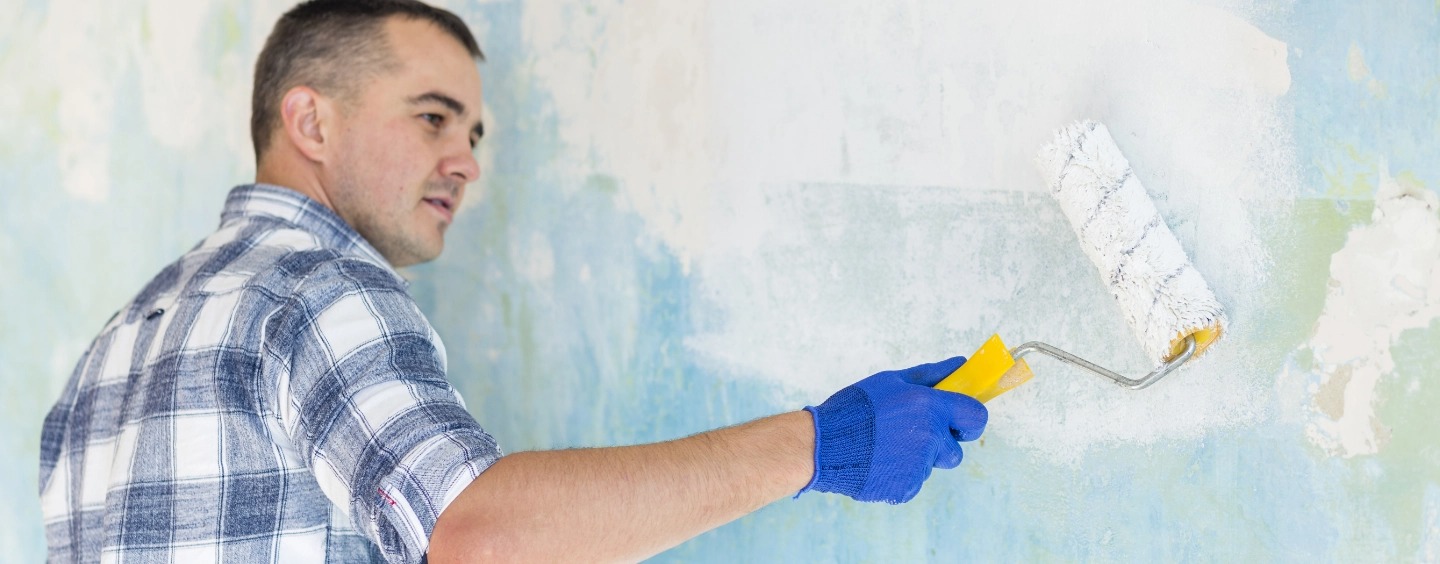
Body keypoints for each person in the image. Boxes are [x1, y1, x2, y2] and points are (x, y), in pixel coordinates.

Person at [37, 1, 989, 562]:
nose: (466, 161)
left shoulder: (111, 351)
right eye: (432, 117)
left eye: (474, 133)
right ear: (311, 123)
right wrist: (821, 444)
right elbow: (480, 537)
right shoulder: (318, 292)